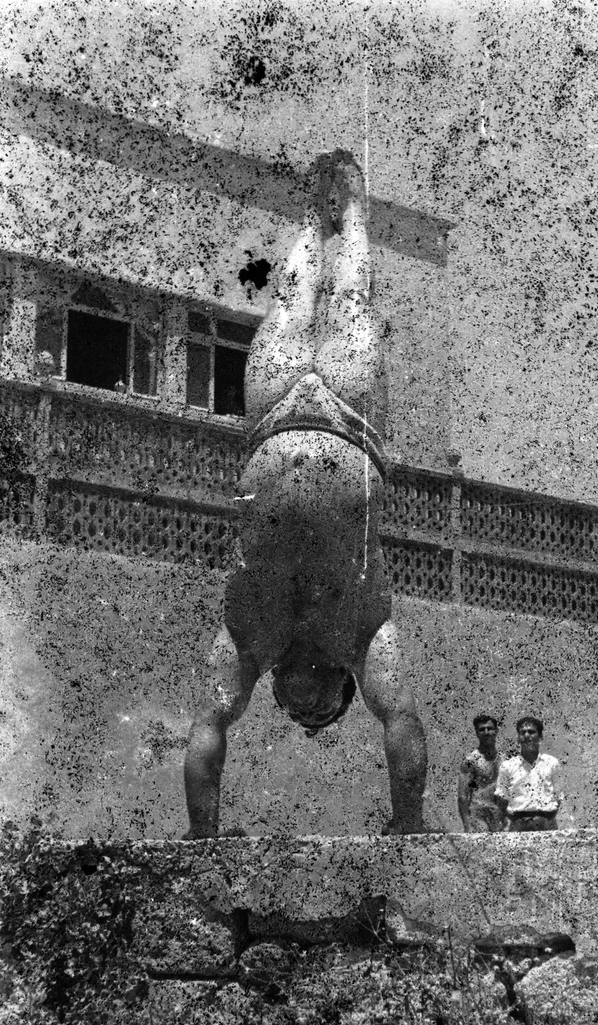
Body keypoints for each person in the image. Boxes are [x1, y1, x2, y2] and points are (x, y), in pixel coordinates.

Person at [183, 149, 427, 838]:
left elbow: (207, 725)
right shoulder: (364, 633)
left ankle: (305, 209)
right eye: (319, 713)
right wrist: (408, 830)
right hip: (350, 427)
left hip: (273, 419)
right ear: (341, 690)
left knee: (291, 302)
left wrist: (203, 841)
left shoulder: (249, 639)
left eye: (294, 715)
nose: (298, 709)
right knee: (349, 299)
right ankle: (348, 204)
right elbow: (403, 714)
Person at [494, 716, 572, 832]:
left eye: (531, 732)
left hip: (546, 823)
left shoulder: (552, 763)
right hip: (518, 825)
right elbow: (501, 799)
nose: (526, 736)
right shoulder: (507, 767)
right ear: (518, 738)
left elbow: (559, 796)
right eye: (523, 732)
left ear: (540, 736)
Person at [458, 715, 505, 832]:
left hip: (499, 814)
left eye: (490, 728)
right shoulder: (471, 761)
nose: (486, 732)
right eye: (482, 729)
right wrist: (467, 824)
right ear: (477, 733)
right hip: (478, 813)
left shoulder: (505, 759)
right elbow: (462, 796)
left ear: (496, 730)